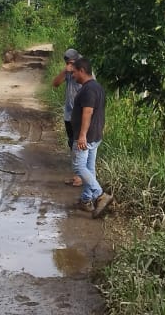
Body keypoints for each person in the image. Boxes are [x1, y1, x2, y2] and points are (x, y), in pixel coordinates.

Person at [72, 56, 113, 217]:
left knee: (79, 167)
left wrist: (82, 135)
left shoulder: (88, 90)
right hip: (95, 135)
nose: (73, 75)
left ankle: (100, 195)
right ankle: (86, 200)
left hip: (86, 137)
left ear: (82, 71)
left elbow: (88, 112)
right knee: (89, 168)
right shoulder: (97, 87)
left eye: (74, 72)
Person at [50, 48, 83, 187]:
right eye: (67, 63)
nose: (70, 65)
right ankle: (77, 175)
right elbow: (55, 83)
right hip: (69, 114)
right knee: (72, 144)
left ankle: (80, 177)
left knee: (78, 145)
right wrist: (65, 71)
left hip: (80, 115)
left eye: (71, 62)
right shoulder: (69, 72)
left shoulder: (84, 71)